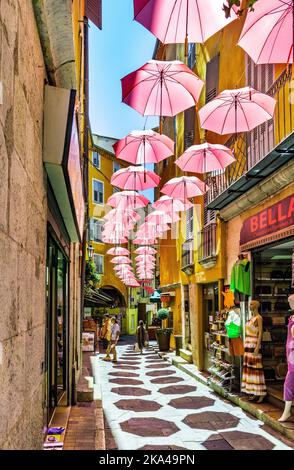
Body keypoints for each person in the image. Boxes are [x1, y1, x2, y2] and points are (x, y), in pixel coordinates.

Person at [241, 300, 267, 403]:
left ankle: (261, 393)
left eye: (251, 304)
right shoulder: (251, 318)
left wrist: (257, 347)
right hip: (248, 344)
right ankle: (254, 392)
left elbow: (260, 333)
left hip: (254, 344)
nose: (249, 306)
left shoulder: (259, 318)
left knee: (256, 369)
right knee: (250, 369)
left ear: (256, 306)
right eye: (249, 304)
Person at [278, 294, 294, 422]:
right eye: (290, 302)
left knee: (288, 384)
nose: (290, 304)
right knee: (288, 384)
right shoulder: (291, 318)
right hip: (291, 357)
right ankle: (286, 412)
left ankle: (286, 412)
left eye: (292, 302)